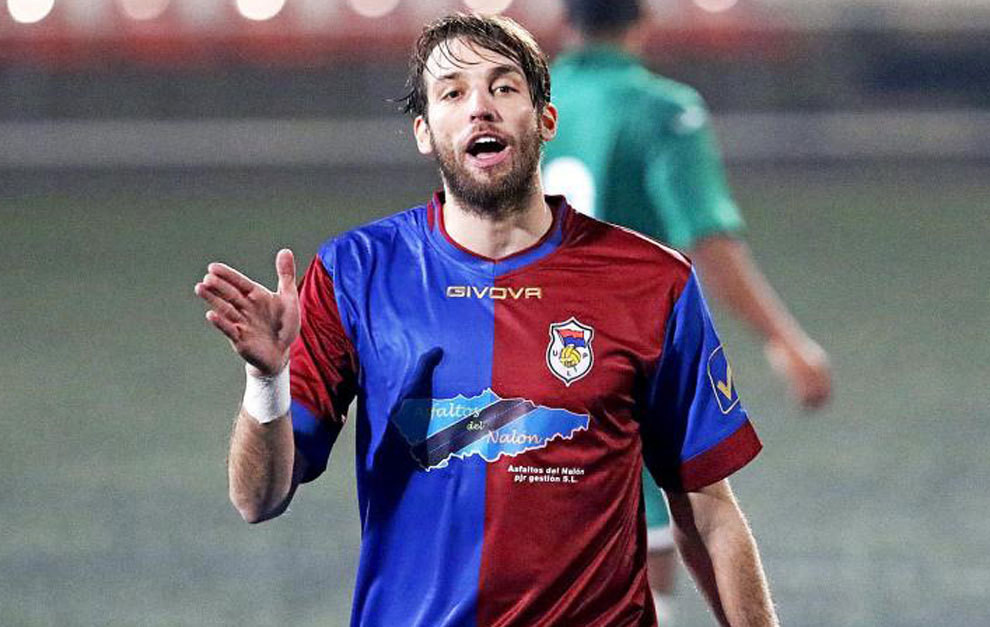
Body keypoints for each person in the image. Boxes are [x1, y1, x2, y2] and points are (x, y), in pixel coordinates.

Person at [195, 13, 778, 627]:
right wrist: (267, 380)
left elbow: (709, 514)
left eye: (503, 87)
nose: (480, 107)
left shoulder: (652, 282)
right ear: (424, 132)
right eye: (452, 93)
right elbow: (257, 499)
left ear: (546, 119)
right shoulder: (356, 272)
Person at [543, 0, 832, 621]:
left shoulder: (527, 103)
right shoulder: (661, 109)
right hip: (618, 357)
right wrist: (785, 341)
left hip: (522, 350)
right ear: (642, 22)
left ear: (566, 23)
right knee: (657, 554)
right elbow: (707, 238)